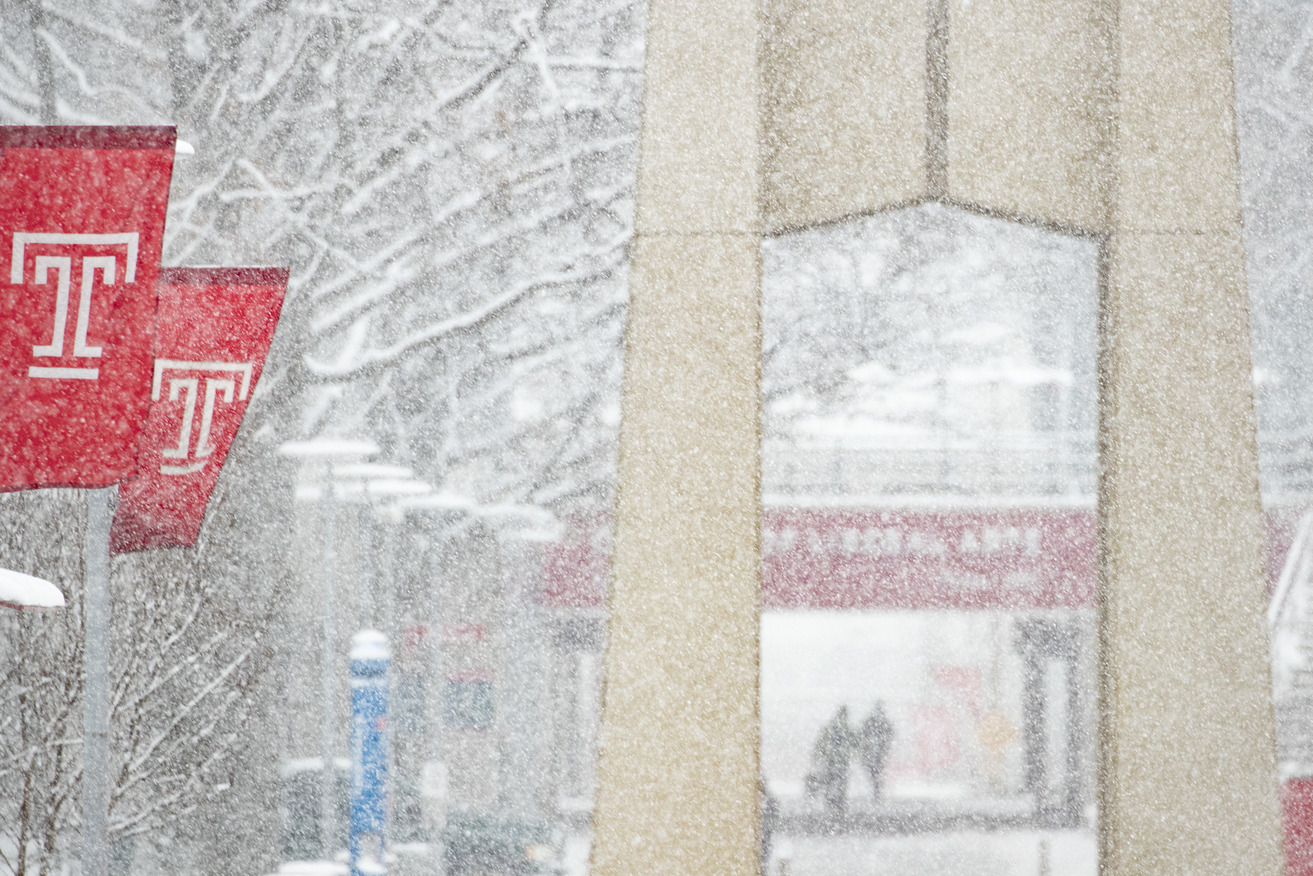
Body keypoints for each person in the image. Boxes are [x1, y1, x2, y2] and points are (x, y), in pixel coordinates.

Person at [807, 705, 853, 821]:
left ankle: (832, 806)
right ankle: (838, 807)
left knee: (832, 784)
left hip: (831, 763)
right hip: (839, 764)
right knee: (839, 785)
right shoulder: (845, 730)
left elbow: (820, 745)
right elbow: (855, 744)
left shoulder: (830, 728)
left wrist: (818, 757)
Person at [858, 701, 895, 803]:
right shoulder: (880, 723)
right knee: (876, 773)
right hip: (875, 753)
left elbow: (863, 735)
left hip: (874, 753)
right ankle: (877, 791)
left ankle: (877, 792)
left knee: (875, 773)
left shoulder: (874, 722)